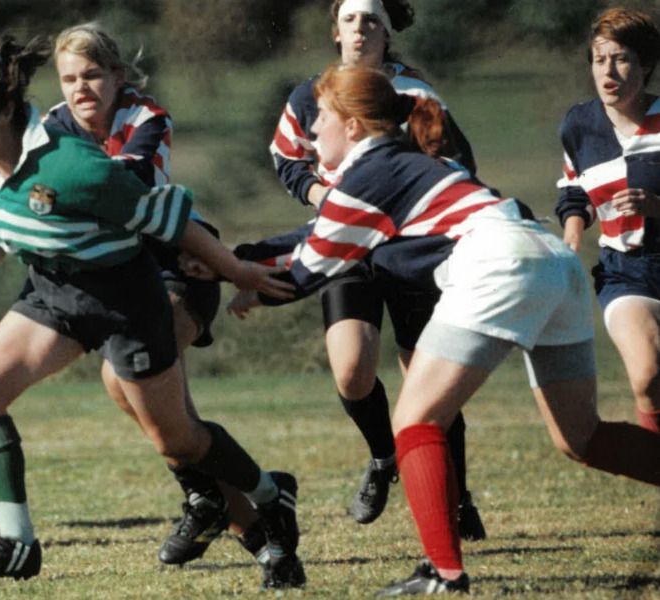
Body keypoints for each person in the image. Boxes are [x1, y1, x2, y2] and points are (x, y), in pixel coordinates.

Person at [230, 64, 660, 595]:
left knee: (413, 420)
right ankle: (444, 570)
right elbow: (314, 236)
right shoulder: (401, 165)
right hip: (551, 258)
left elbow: (304, 272)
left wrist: (234, 274)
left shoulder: (370, 173)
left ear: (355, 126)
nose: (310, 131)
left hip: (500, 261)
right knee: (583, 438)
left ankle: (445, 574)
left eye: (319, 117)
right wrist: (234, 261)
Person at [0, 31, 305, 590]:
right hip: (55, 291)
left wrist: (239, 272)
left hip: (133, 295)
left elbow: (169, 221)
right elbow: (3, 234)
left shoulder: (79, 164)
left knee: (178, 439)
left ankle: (269, 496)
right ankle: (18, 542)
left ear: (4, 110)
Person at [42, 22, 264, 566]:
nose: (81, 88)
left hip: (178, 268)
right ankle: (255, 523)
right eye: (69, 78)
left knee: (123, 377)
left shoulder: (146, 118)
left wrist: (52, 190)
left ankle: (223, 498)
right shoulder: (52, 124)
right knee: (173, 424)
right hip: (120, 274)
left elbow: (119, 185)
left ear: (118, 75)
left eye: (93, 74)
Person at [265, 0, 484, 538]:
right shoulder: (308, 95)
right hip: (345, 246)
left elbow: (458, 165)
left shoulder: (416, 95)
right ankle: (384, 457)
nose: (359, 29)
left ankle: (456, 500)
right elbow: (286, 157)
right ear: (334, 31)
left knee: (426, 381)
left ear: (387, 32)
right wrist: (322, 194)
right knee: (351, 371)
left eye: (370, 20)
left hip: (409, 253)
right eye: (349, 19)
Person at [556, 7, 660, 434]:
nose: (608, 70)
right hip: (626, 271)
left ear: (646, 65)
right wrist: (572, 232)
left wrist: (656, 205)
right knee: (648, 376)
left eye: (620, 59)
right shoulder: (580, 125)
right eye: (600, 59)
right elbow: (574, 190)